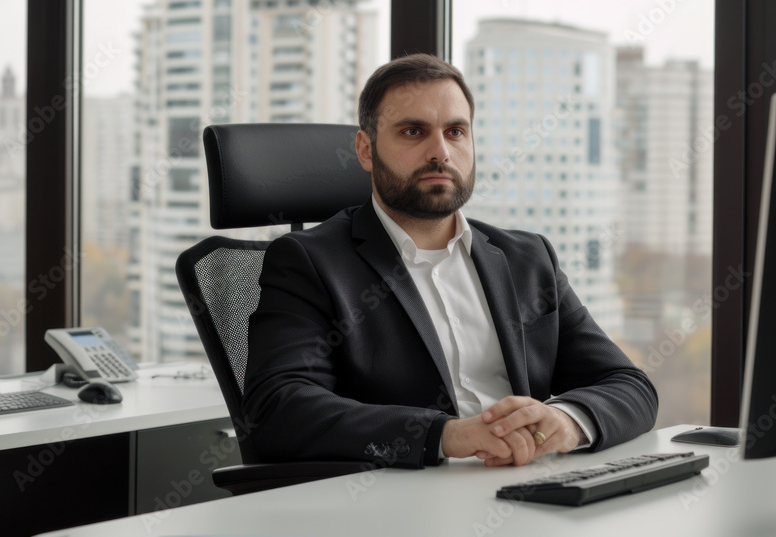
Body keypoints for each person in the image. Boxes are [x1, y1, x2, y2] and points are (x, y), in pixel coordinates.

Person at [242, 53, 658, 469]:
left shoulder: (527, 259)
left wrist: (564, 421)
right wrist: (444, 435)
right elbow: (279, 407)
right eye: (412, 131)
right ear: (366, 150)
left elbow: (629, 385)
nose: (440, 151)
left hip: (531, 485)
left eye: (455, 131)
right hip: (402, 504)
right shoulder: (309, 262)